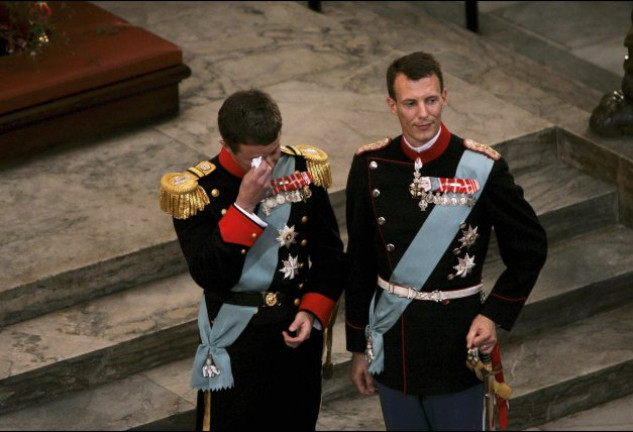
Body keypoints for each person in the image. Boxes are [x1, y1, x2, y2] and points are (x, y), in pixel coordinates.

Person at [344, 51, 548, 431]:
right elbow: (358, 262)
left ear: (445, 96)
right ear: (392, 106)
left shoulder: (481, 166)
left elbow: (530, 248)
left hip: (456, 341)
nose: (424, 113)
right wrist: (359, 347)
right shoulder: (370, 165)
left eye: (431, 99)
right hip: (394, 341)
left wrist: (493, 314)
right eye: (411, 103)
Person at [159, 89, 346, 431]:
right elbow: (209, 273)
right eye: (256, 159)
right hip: (238, 341)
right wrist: (243, 207)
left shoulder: (303, 171)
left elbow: (331, 257)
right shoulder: (199, 191)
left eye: (274, 152)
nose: (269, 166)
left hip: (296, 334)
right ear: (225, 144)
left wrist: (312, 310)